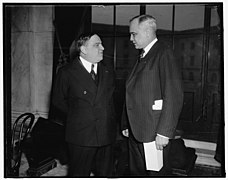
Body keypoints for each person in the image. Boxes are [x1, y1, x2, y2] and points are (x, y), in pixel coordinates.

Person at [121, 14, 184, 176]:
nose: (130, 38)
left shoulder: (163, 53)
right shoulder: (142, 55)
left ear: (148, 32)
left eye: (134, 34)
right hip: (136, 131)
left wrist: (164, 132)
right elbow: (132, 92)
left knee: (156, 175)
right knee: (137, 174)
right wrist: (126, 124)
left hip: (154, 132)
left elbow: (173, 94)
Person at [52, 33, 117, 177]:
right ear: (83, 49)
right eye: (96, 45)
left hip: (106, 135)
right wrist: (80, 115)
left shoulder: (108, 71)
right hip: (81, 136)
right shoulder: (66, 72)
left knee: (106, 175)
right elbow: (58, 101)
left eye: (101, 44)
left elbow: (112, 102)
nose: (102, 48)